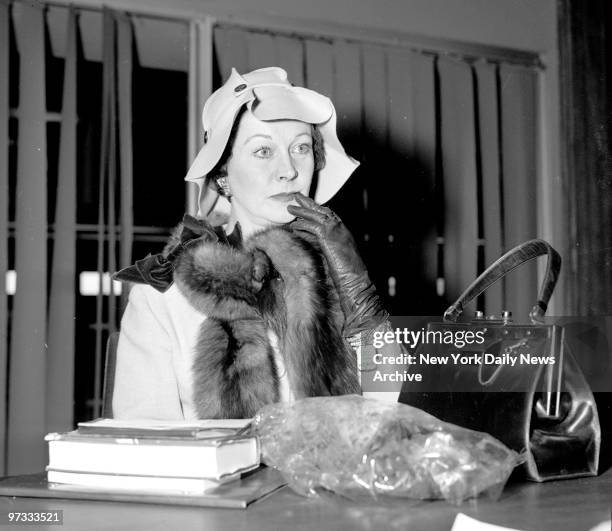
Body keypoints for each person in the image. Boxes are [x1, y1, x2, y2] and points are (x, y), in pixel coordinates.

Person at [112, 67, 389, 419]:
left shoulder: (336, 275)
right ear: (223, 174)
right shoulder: (161, 298)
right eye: (263, 151)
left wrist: (363, 302)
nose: (288, 170)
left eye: (300, 148)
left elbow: (395, 416)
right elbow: (145, 448)